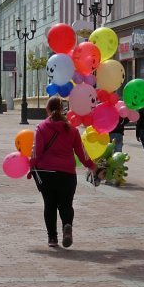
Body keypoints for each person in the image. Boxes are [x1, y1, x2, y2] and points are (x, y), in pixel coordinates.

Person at [30, 96, 96, 248]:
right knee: (66, 205)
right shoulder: (72, 130)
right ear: (62, 110)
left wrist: (31, 166)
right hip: (67, 174)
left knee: (50, 205)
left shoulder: (41, 128)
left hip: (46, 173)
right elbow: (82, 153)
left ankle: (52, 238)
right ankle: (67, 225)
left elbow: (36, 152)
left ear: (47, 109)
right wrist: (91, 165)